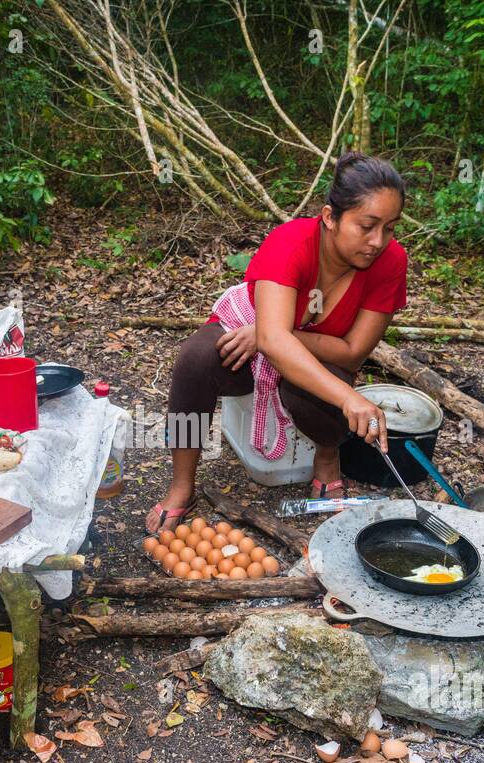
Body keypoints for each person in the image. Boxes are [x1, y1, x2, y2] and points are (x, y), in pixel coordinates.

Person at [145, 152, 408, 533]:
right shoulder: (291, 243)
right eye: (367, 226)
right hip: (248, 338)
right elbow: (270, 338)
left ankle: (327, 456)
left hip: (307, 352)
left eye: (389, 228)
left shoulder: (390, 262)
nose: (377, 241)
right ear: (330, 217)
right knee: (196, 360)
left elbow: (352, 352)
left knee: (327, 385)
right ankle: (182, 484)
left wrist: (281, 334)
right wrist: (270, 333)